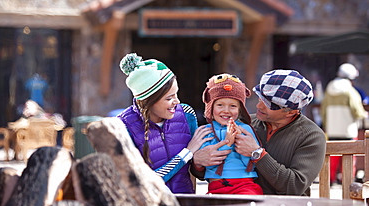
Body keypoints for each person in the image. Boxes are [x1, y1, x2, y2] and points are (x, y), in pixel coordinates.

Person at [192, 69, 326, 196]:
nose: (259, 106)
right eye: (261, 98)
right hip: (241, 205)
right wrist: (198, 163)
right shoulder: (245, 124)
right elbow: (212, 171)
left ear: (292, 111)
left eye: (269, 104)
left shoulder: (311, 136)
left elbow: (294, 186)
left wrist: (257, 153)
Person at [117, 53, 211, 194]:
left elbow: (198, 171)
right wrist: (187, 153)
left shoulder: (186, 114)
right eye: (169, 98)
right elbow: (141, 182)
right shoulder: (123, 126)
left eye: (176, 94)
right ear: (149, 100)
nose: (177, 102)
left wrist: (199, 161)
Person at [196, 73, 263, 195]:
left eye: (232, 106)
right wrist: (227, 143)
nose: (226, 110)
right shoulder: (205, 131)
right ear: (211, 107)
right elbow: (209, 164)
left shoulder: (245, 129)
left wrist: (239, 142)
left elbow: (250, 164)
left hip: (244, 184)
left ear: (240, 109)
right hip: (216, 186)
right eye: (220, 105)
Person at [320, 63, 368, 184]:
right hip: (348, 129)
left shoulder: (329, 88)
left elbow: (323, 109)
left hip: (332, 129)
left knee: (332, 156)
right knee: (350, 156)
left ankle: (330, 179)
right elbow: (357, 111)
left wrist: (326, 125)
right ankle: (347, 180)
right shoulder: (350, 91)